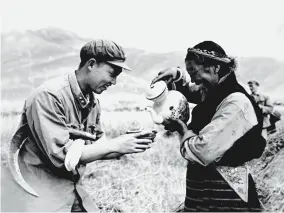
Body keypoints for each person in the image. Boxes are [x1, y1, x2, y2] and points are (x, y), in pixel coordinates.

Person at [2, 40, 155, 212]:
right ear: (91, 64)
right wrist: (116, 144)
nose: (114, 82)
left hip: (71, 190)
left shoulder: (92, 103)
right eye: (112, 73)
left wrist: (129, 142)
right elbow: (62, 157)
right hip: (38, 194)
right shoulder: (49, 97)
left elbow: (100, 147)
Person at [152, 41, 266, 212]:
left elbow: (202, 150)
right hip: (208, 188)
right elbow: (192, 90)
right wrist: (176, 75)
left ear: (215, 68)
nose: (193, 79)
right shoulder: (215, 90)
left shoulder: (236, 103)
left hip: (226, 191)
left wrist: (181, 129)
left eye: (193, 71)